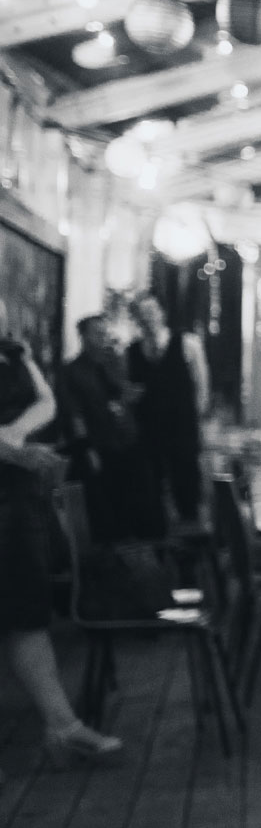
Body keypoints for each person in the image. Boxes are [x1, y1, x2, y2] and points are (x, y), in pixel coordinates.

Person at [2, 299, 123, 766]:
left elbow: (47, 402)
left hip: (16, 500)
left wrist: (12, 435)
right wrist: (15, 451)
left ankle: (61, 724)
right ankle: (62, 724)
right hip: (11, 487)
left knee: (25, 614)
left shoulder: (15, 353)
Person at [61, 314, 165, 542]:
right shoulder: (73, 371)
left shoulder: (113, 364)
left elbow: (122, 397)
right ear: (84, 337)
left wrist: (126, 386)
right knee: (107, 517)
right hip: (100, 450)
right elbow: (75, 416)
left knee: (141, 508)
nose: (103, 338)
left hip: (128, 446)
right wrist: (87, 450)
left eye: (105, 333)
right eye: (97, 333)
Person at [126, 294, 208, 523]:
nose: (147, 317)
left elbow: (201, 386)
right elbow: (132, 387)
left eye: (151, 311)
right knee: (151, 486)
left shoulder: (187, 343)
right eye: (141, 313)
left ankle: (191, 539)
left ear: (162, 313)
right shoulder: (132, 350)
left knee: (186, 483)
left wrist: (196, 422)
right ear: (136, 319)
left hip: (182, 426)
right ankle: (159, 538)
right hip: (149, 428)